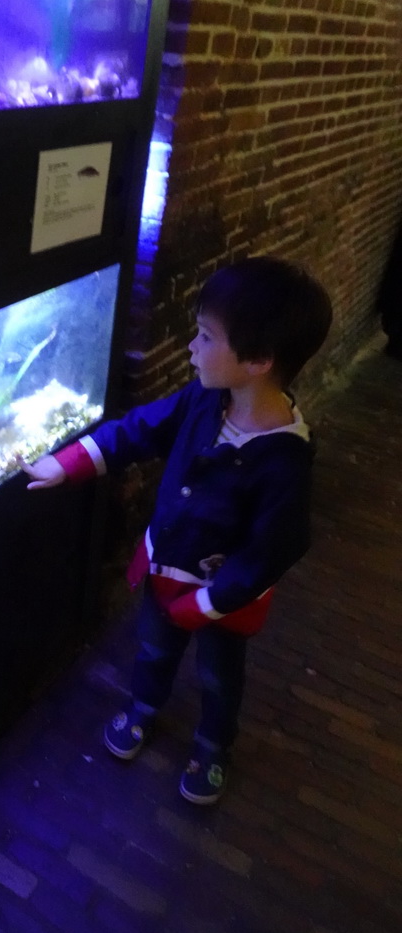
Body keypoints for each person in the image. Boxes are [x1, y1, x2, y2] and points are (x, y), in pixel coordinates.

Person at [21, 256, 332, 805]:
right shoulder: (204, 400)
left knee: (218, 674)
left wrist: (209, 603)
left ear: (259, 359)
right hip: (165, 571)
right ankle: (143, 707)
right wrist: (68, 463)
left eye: (206, 337)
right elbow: (139, 431)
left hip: (224, 601)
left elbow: (274, 549)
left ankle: (214, 744)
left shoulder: (284, 461)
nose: (192, 347)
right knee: (154, 649)